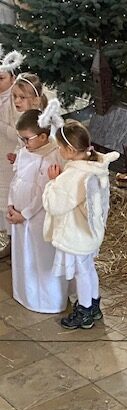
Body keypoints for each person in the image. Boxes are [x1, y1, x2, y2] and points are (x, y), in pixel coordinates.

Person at [42, 120, 118, 329]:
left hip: (76, 234)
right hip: (90, 232)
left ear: (70, 150)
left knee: (81, 272)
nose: (58, 151)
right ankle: (93, 305)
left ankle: (84, 312)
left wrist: (52, 182)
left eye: (59, 147)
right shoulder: (94, 167)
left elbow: (54, 205)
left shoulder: (73, 176)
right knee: (88, 268)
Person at [7, 105, 67, 313]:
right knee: (24, 256)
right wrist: (10, 204)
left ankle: (47, 300)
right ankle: (26, 294)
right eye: (22, 139)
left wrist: (24, 215)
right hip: (18, 215)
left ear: (43, 137)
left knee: (40, 257)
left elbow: (43, 193)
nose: (24, 144)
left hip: (37, 218)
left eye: (27, 139)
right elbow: (16, 179)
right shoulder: (25, 152)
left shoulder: (51, 157)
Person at [0, 50, 23, 258]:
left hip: (9, 157)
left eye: (1, 78)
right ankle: (9, 240)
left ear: (12, 78)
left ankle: (14, 242)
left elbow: (19, 133)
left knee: (10, 198)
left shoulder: (14, 101)